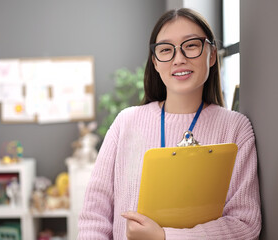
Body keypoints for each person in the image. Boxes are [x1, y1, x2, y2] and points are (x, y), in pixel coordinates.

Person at [78, 8, 261, 240]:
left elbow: (245, 225)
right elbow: (94, 218)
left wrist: (164, 237)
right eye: (166, 50)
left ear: (212, 55)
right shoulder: (126, 122)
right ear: (155, 62)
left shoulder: (235, 128)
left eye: (191, 45)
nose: (179, 58)